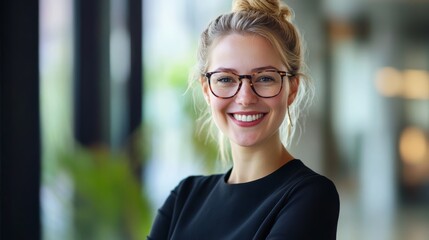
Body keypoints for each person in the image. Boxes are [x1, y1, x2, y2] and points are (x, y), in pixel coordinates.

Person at [148, 0, 340, 239]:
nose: (245, 97)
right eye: (226, 79)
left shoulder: (310, 196)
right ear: (207, 90)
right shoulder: (183, 198)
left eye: (265, 78)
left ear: (292, 89)